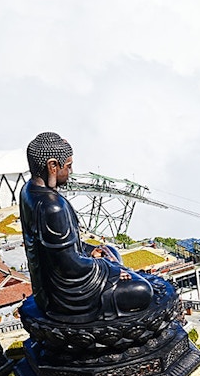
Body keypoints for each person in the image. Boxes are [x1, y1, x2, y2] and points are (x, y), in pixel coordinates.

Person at [19, 132, 153, 323]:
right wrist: (112, 270)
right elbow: (69, 267)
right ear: (52, 166)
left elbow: (61, 249)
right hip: (66, 299)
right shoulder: (52, 207)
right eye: (69, 166)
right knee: (142, 290)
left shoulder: (27, 191)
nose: (71, 172)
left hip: (46, 290)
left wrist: (92, 251)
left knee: (110, 249)